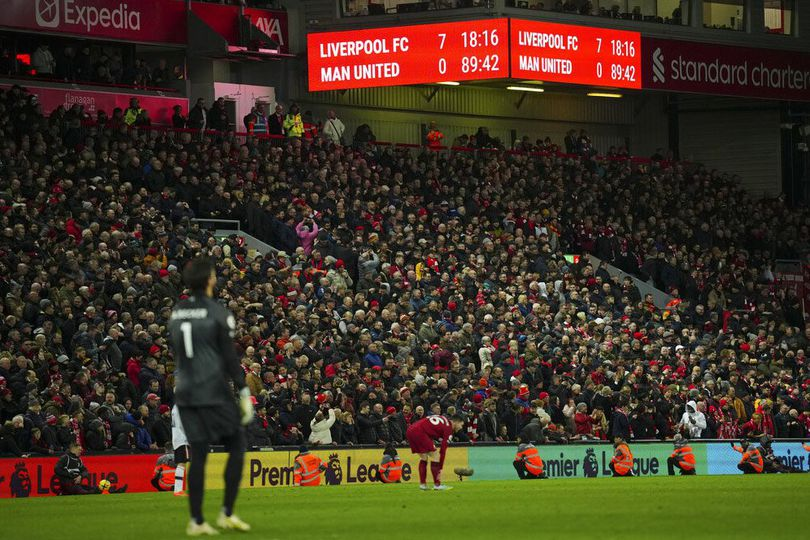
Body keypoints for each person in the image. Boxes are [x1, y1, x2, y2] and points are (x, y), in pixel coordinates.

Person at [168, 257, 253, 535]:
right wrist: (242, 389)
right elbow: (229, 357)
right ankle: (226, 513)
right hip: (213, 390)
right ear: (210, 280)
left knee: (199, 453)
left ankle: (196, 521)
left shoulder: (177, 312)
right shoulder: (218, 312)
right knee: (238, 444)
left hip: (185, 391)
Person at [405, 414, 465, 491]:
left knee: (424, 457)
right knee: (436, 455)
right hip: (420, 432)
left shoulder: (443, 419)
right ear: (455, 422)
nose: (461, 428)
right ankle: (437, 485)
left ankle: (423, 485)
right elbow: (443, 449)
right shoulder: (448, 428)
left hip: (411, 430)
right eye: (461, 425)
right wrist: (440, 467)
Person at [172, 403, 190, 496]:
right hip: (183, 438)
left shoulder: (175, 406)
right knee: (182, 463)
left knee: (181, 463)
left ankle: (177, 489)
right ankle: (178, 490)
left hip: (177, 437)